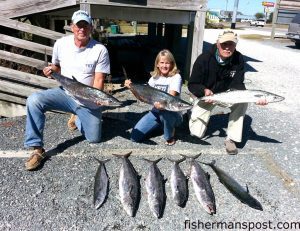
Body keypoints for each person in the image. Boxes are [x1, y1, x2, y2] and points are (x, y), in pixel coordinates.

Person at [24, 10, 110, 170]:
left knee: (94, 139)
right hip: (66, 93)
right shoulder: (61, 44)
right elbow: (56, 67)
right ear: (72, 27)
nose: (82, 29)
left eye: (85, 25)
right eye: (78, 25)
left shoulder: (100, 50)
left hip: (88, 101)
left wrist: (97, 98)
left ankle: (76, 116)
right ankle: (36, 149)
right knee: (34, 100)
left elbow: (99, 80)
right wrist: (50, 71)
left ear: (91, 27)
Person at [188, 30, 267, 155]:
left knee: (242, 102)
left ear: (235, 46)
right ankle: (191, 112)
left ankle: (231, 138)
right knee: (196, 134)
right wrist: (203, 91)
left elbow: (238, 83)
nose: (227, 47)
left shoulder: (239, 59)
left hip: (227, 95)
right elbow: (192, 84)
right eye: (224, 44)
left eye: (231, 44)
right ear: (218, 43)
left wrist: (252, 98)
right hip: (206, 95)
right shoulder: (204, 58)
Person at [124, 49, 183, 145]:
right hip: (156, 112)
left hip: (172, 113)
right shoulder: (153, 78)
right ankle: (161, 126)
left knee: (166, 114)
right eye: (162, 62)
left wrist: (162, 106)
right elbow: (142, 98)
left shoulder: (176, 77)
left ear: (172, 64)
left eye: (167, 63)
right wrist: (131, 88)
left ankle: (170, 135)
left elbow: (171, 99)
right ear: (157, 64)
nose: (164, 65)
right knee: (135, 137)